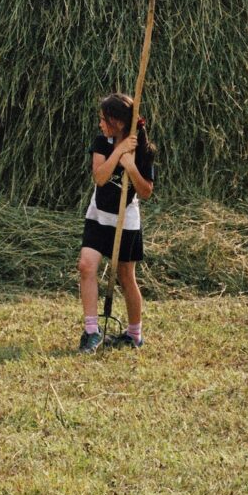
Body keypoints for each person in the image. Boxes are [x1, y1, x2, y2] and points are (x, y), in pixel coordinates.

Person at [77, 92, 155, 353]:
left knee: (125, 276)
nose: (100, 124)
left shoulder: (144, 150)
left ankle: (134, 334)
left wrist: (131, 167)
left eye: (104, 119)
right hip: (99, 215)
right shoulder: (102, 142)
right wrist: (118, 151)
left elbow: (145, 192)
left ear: (118, 122)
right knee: (86, 266)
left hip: (126, 220)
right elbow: (99, 177)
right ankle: (91, 332)